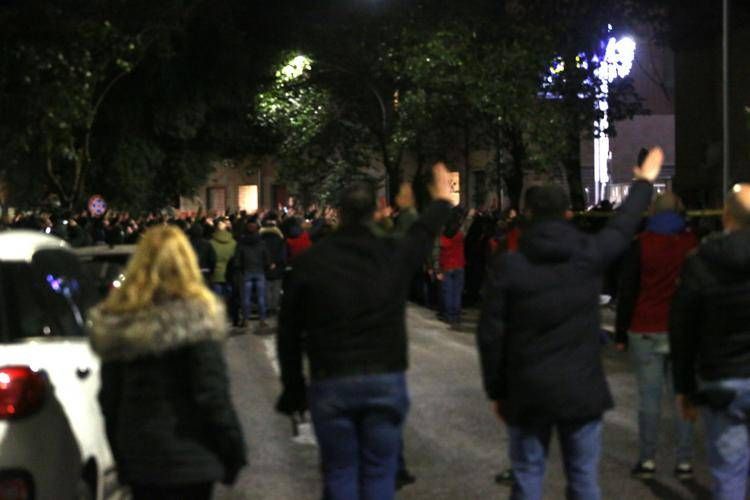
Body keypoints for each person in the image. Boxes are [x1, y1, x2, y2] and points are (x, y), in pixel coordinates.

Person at [477, 147, 664, 500]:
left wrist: (497, 389)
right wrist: (643, 184)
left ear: (528, 216)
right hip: (581, 390)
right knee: (583, 481)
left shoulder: (509, 266)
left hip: (527, 390)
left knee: (528, 476)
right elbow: (623, 227)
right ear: (567, 214)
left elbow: (491, 333)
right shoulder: (587, 255)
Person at [276, 163, 454, 500]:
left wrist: (293, 387)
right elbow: (422, 234)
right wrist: (442, 200)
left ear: (339, 214)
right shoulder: (391, 253)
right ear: (376, 211)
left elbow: (288, 332)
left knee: (340, 471)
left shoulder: (311, 263)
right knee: (379, 473)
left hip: (331, 378)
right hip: (384, 377)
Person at [88, 226, 247, 500]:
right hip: (192, 460)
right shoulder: (197, 320)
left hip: (142, 458)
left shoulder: (120, 323)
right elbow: (212, 395)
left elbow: (109, 399)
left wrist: (121, 457)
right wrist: (233, 452)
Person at [670, 183, 750, 500]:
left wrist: (684, 387)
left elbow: (683, 330)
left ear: (726, 216)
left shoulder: (701, 261)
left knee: (728, 475)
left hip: (723, 379)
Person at [615, 192, 698, 480]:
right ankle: (684, 461)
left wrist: (621, 331)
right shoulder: (691, 244)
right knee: (682, 396)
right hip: (683, 331)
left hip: (645, 327)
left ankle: (647, 459)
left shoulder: (641, 245)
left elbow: (628, 290)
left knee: (648, 399)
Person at [436, 208, 475, 326]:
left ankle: (449, 316)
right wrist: (470, 216)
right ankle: (456, 315)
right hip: (459, 265)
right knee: (457, 292)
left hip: (446, 266)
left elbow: (436, 251)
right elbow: (466, 226)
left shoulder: (441, 236)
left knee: (447, 292)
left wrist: (437, 268)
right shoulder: (460, 234)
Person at [233, 221, 270, 330]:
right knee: (261, 297)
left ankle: (246, 320)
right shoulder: (261, 242)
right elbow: (266, 258)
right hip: (259, 271)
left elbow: (237, 259)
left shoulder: (241, 243)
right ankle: (262, 320)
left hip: (246, 272)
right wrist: (266, 266)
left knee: (246, 298)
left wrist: (239, 269)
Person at [260, 213, 287, 315]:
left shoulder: (261, 239)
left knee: (266, 288)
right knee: (276, 288)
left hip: (265, 267)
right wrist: (277, 263)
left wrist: (268, 263)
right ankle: (274, 307)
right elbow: (283, 254)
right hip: (278, 266)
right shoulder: (280, 239)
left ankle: (267, 307)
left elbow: (261, 253)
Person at [210, 217, 237, 318]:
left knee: (217, 295)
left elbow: (211, 259)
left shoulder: (211, 243)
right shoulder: (233, 242)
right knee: (229, 294)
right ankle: (229, 312)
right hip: (229, 273)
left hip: (216, 273)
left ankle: (218, 314)